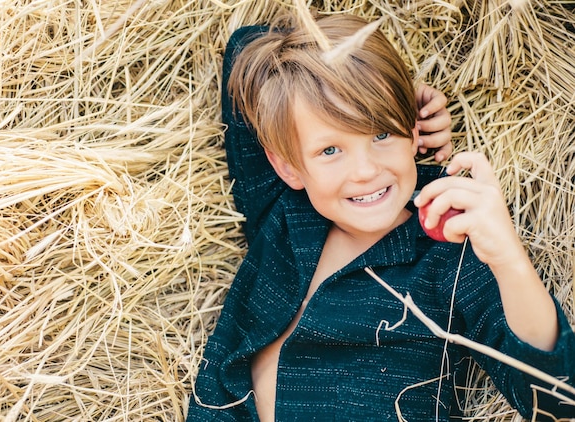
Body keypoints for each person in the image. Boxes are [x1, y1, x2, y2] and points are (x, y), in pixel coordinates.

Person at [187, 13, 575, 422]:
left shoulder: (447, 248)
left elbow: (558, 402)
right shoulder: (281, 210)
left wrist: (508, 259)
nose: (365, 170)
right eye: (330, 150)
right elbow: (245, 51)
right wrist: (380, 96)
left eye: (380, 134)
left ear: (411, 132)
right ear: (288, 167)